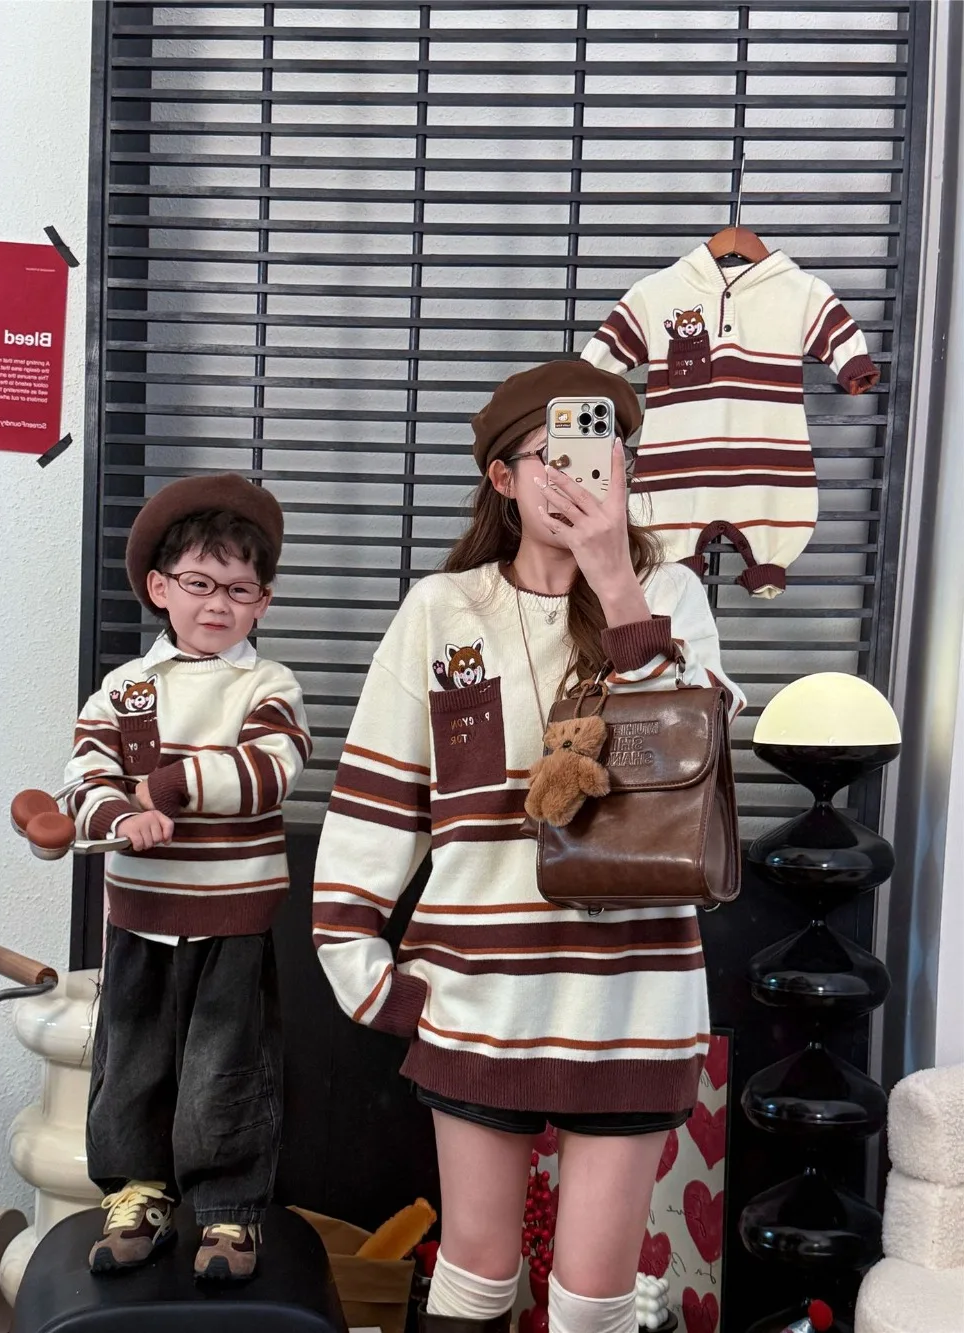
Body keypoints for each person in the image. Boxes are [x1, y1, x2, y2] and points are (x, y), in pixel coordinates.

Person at [312, 360, 746, 1333]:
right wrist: (365, 973)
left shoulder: (668, 593)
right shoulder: (444, 609)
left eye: (600, 453)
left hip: (632, 996)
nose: (580, 477)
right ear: (503, 478)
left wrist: (615, 581)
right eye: (554, 457)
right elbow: (379, 796)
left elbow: (698, 748)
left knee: (593, 1299)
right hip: (476, 992)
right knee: (472, 1277)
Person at [63, 473, 311, 1281]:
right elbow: (83, 776)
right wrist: (115, 812)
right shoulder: (125, 688)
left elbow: (270, 770)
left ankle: (229, 1210)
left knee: (226, 1064)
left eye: (239, 589)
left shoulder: (268, 686)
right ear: (159, 586)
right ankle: (136, 1191)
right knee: (131, 1056)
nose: (217, 604)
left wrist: (163, 788)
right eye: (199, 583)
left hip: (231, 916)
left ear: (262, 602)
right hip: (138, 913)